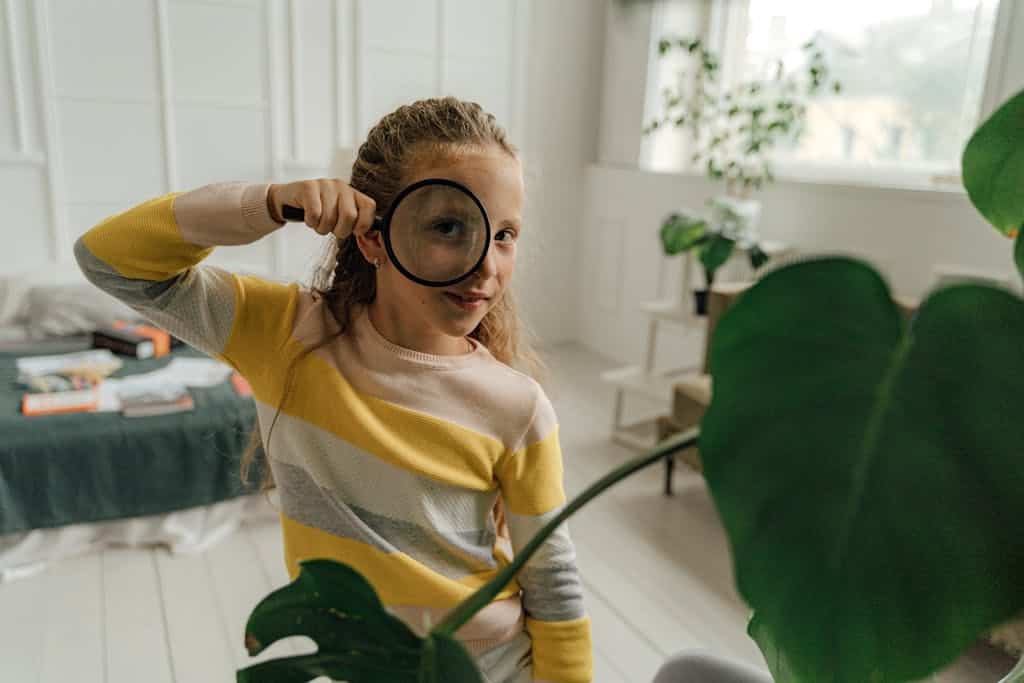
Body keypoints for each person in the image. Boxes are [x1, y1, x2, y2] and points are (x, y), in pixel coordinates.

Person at [74, 96, 592, 683]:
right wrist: (267, 204)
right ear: (373, 239)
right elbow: (107, 259)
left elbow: (552, 581)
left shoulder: (518, 406)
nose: (486, 265)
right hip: (356, 664)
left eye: (504, 235)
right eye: (451, 227)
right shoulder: (287, 336)